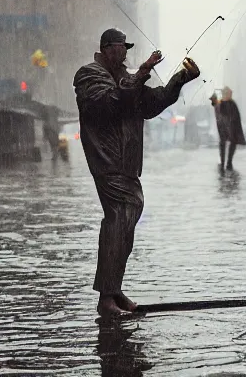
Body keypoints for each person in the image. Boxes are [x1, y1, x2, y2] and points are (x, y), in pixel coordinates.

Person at [73, 28, 200, 317]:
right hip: (107, 160)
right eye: (121, 47)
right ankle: (106, 298)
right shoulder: (89, 75)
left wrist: (181, 78)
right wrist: (143, 70)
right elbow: (110, 103)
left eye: (127, 48)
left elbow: (152, 103)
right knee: (119, 218)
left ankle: (113, 290)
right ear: (107, 48)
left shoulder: (125, 78)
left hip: (126, 162)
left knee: (126, 222)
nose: (125, 52)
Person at [210, 86, 246, 171]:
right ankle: (223, 163)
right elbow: (219, 114)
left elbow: (235, 116)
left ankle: (229, 162)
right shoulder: (221, 103)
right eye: (229, 93)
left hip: (232, 128)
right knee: (223, 143)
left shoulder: (231, 103)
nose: (231, 94)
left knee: (232, 143)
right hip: (224, 127)